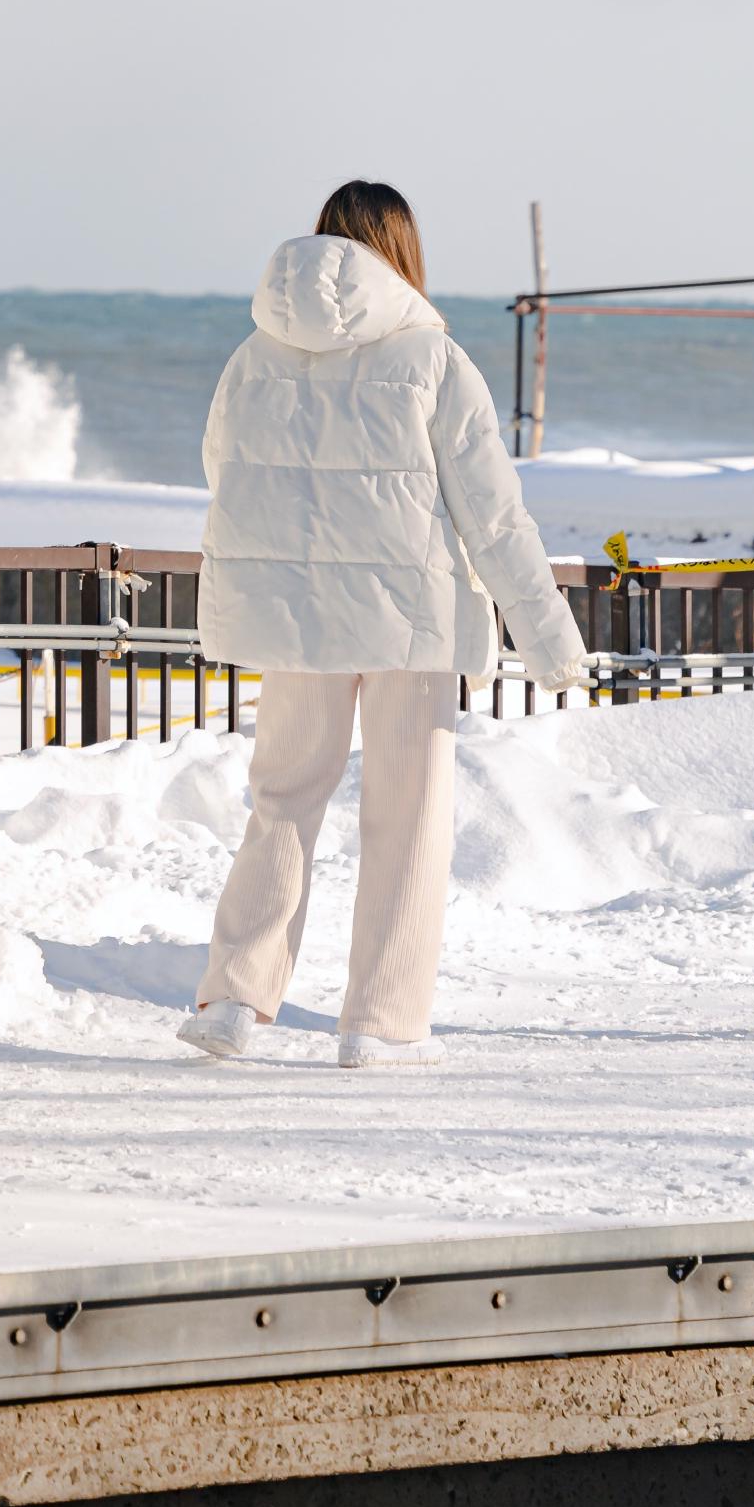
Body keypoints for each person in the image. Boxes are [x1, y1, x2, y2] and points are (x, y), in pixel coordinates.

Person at [176, 180, 588, 1070]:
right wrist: (550, 639)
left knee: (281, 801)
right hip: (413, 619)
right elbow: (495, 515)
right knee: (407, 815)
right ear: (399, 250)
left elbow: (228, 474)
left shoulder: (254, 354)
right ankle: (380, 1022)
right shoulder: (434, 358)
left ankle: (233, 1000)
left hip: (296, 619)